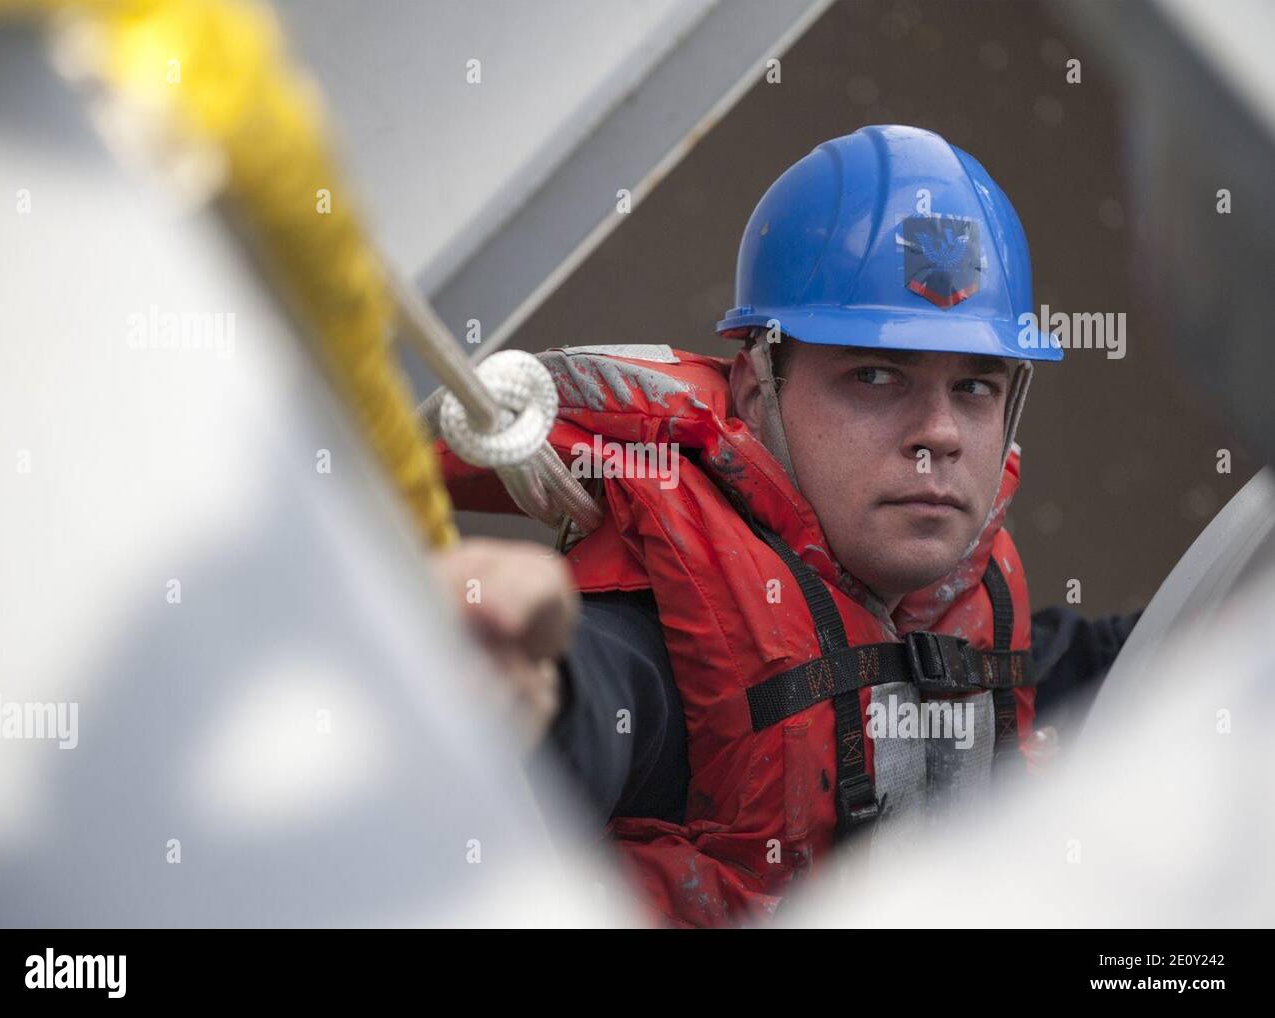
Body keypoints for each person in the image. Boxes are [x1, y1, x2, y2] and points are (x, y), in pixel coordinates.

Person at [436, 125, 1140, 927]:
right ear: (753, 389)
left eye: (975, 387)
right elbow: (578, 702)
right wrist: (518, 696)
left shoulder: (984, 624)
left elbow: (1158, 655)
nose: (939, 433)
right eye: (875, 376)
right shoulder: (649, 651)